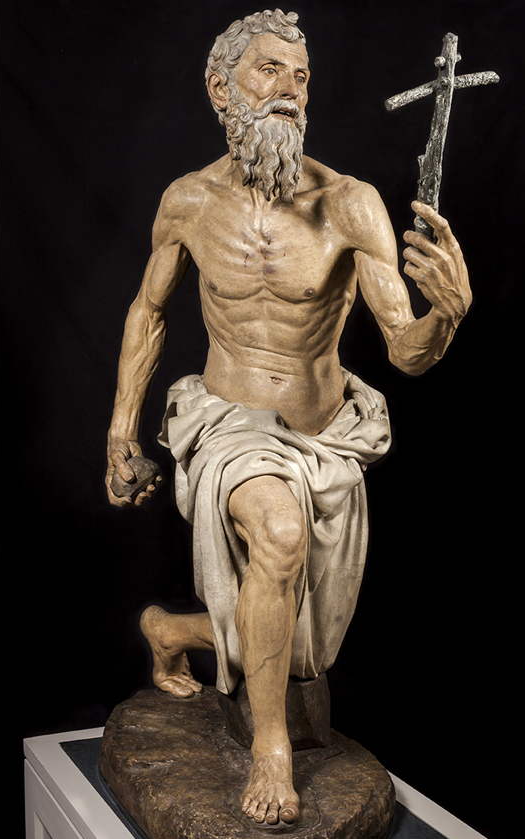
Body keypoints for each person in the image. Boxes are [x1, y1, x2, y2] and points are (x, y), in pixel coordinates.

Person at [106, 9, 471, 827]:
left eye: (300, 76)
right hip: (229, 424)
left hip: (323, 433)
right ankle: (271, 746)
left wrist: (445, 317)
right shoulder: (188, 200)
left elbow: (405, 350)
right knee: (277, 533)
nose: (289, 90)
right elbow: (148, 313)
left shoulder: (348, 204)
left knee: (304, 641)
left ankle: (170, 630)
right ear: (220, 87)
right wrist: (119, 432)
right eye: (268, 69)